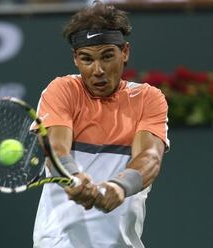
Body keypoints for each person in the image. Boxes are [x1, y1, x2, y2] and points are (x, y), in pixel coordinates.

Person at [31, 2, 169, 247]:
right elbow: (56, 150)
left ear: (124, 52)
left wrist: (119, 187)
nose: (98, 70)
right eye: (87, 59)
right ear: (75, 59)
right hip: (60, 241)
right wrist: (72, 175)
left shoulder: (149, 98)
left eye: (107, 56)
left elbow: (150, 157)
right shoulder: (62, 90)